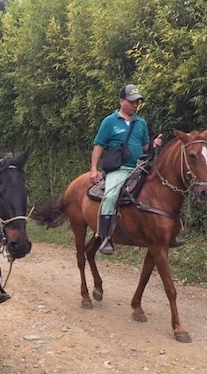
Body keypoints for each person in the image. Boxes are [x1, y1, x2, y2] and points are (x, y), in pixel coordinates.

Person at [89, 84, 163, 255]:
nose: (135, 105)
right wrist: (94, 168)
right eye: (131, 101)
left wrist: (153, 144)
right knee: (110, 195)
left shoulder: (141, 123)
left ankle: (164, 232)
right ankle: (106, 237)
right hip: (119, 169)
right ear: (121, 101)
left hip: (140, 167)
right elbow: (98, 146)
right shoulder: (109, 122)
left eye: (137, 102)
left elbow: (145, 147)